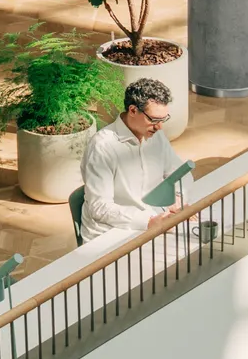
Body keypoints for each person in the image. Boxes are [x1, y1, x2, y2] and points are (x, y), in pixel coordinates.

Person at [80, 78, 187, 243]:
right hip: (111, 234)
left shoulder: (156, 135)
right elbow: (99, 207)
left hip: (152, 220)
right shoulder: (102, 147)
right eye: (154, 119)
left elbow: (178, 171)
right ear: (132, 110)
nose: (160, 127)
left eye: (163, 119)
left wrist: (177, 196)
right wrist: (149, 221)